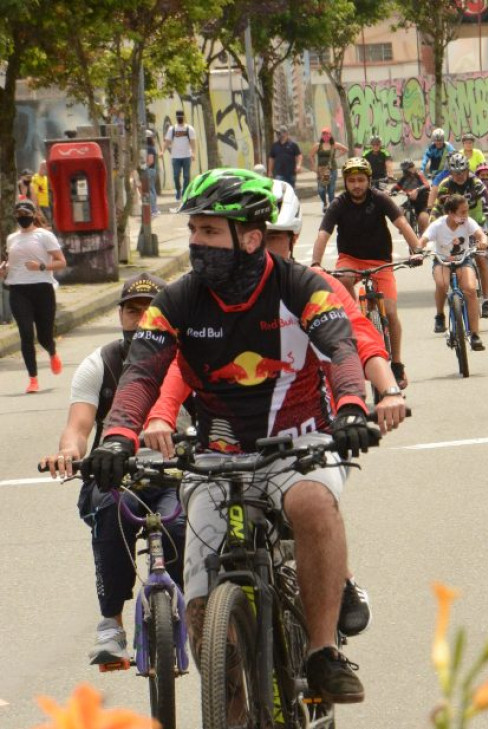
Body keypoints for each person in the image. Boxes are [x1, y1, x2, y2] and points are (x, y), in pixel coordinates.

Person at [88, 168, 375, 704]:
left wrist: (355, 408)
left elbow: (340, 349)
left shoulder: (300, 286)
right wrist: (117, 435)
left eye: (209, 231)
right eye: (193, 229)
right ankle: (232, 707)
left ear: (249, 237)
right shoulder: (177, 300)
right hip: (216, 455)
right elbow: (142, 372)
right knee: (199, 606)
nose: (196, 243)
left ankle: (322, 653)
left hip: (300, 444)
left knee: (313, 504)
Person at [141, 182, 403, 637]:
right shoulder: (202, 297)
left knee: (312, 505)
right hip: (225, 444)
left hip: (304, 429)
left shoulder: (309, 286)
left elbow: (357, 341)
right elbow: (184, 370)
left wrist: (386, 392)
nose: (272, 249)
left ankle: (338, 585)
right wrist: (161, 416)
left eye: (280, 239)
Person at [39, 273, 186, 666]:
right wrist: (69, 452)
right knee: (109, 510)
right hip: (116, 476)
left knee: (183, 526)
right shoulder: (99, 363)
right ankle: (112, 625)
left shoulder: (190, 357)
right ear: (120, 314)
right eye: (132, 311)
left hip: (178, 475)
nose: (140, 320)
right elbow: (78, 428)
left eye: (150, 311)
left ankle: (200, 610)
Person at [312, 157, 424, 390]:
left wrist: (417, 250)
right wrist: (315, 263)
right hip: (349, 260)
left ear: (368, 181)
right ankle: (352, 320)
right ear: (345, 182)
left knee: (391, 312)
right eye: (351, 180)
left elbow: (402, 224)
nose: (356, 185)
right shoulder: (339, 203)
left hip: (380, 260)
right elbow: (324, 233)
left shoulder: (380, 198)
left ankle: (397, 364)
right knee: (342, 278)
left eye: (361, 180)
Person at [0, 200, 67, 392]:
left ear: (32, 214)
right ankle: (33, 379)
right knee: (26, 334)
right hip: (18, 290)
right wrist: (4, 270)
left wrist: (42, 267)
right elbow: (10, 262)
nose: (22, 217)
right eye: (18, 214)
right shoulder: (12, 238)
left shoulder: (44, 236)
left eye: (25, 213)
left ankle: (52, 352)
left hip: (42, 289)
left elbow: (61, 262)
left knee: (45, 336)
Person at [430, 152, 488, 316]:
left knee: (482, 259)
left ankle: (487, 300)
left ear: (467, 170)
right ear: (450, 173)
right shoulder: (445, 185)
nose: (459, 176)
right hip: (454, 228)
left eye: (462, 172)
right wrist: (432, 226)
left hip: (475, 226)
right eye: (455, 172)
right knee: (450, 261)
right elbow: (437, 209)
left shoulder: (476, 182)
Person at [420, 194, 488, 351]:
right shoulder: (437, 225)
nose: (466, 215)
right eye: (462, 212)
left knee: (470, 290)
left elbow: (481, 235)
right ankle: (440, 315)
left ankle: (475, 334)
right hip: (442, 261)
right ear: (450, 213)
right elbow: (423, 240)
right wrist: (418, 250)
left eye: (467, 212)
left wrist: (483, 242)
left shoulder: (468, 222)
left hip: (463, 260)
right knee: (442, 284)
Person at [310, 127, 349, 211]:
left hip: (332, 170)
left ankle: (332, 208)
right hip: (322, 171)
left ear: (330, 135)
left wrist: (337, 156)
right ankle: (324, 203)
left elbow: (345, 149)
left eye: (327, 134)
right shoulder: (318, 145)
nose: (325, 136)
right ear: (322, 135)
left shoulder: (334, 144)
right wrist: (314, 166)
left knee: (331, 190)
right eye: (324, 134)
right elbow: (311, 155)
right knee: (321, 190)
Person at [391, 160, 432, 234]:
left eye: (413, 166)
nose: (414, 169)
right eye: (411, 167)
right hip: (410, 201)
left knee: (423, 220)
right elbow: (396, 187)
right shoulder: (403, 179)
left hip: (422, 202)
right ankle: (402, 228)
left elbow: (427, 185)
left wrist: (417, 190)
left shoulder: (419, 175)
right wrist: (393, 191)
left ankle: (422, 238)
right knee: (399, 210)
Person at [164, 109, 196, 201]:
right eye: (178, 117)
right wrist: (162, 151)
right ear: (176, 118)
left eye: (181, 117)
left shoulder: (189, 129)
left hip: (186, 156)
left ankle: (185, 192)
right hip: (175, 157)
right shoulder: (172, 129)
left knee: (186, 176)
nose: (180, 118)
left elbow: (193, 142)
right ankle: (178, 190)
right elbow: (167, 141)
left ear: (183, 117)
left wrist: (193, 153)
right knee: (175, 175)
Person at [144, 131, 159, 217]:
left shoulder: (148, 148)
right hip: (152, 170)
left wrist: (143, 167)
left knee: (150, 190)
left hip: (149, 170)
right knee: (152, 189)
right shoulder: (152, 148)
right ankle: (154, 209)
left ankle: (153, 210)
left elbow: (150, 161)